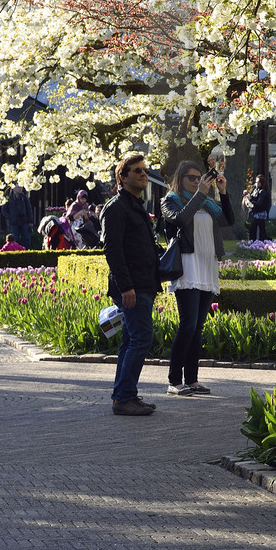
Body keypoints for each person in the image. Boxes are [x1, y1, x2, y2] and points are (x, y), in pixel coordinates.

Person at [162, 161, 234, 397]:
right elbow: (180, 220)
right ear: (180, 179)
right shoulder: (171, 200)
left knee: (198, 328)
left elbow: (228, 221)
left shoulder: (208, 203)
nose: (196, 181)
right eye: (191, 178)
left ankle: (191, 380)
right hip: (188, 267)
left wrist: (222, 192)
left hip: (207, 264)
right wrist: (200, 194)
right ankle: (174, 380)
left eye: (198, 178)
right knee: (188, 325)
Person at [103, 153, 159, 416]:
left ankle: (123, 395)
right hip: (132, 287)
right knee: (141, 338)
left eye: (145, 171)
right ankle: (125, 398)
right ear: (122, 177)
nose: (143, 174)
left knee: (130, 340)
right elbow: (112, 251)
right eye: (137, 171)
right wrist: (126, 287)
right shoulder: (116, 208)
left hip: (145, 285)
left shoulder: (137, 206)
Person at [244, 173, 271, 242]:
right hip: (256, 212)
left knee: (254, 228)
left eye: (258, 182)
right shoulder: (256, 190)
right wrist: (247, 195)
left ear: (261, 183)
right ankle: (263, 241)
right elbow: (252, 196)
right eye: (256, 182)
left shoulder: (263, 192)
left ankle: (256, 241)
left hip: (261, 213)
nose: (256, 184)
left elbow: (259, 203)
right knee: (260, 229)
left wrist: (251, 202)